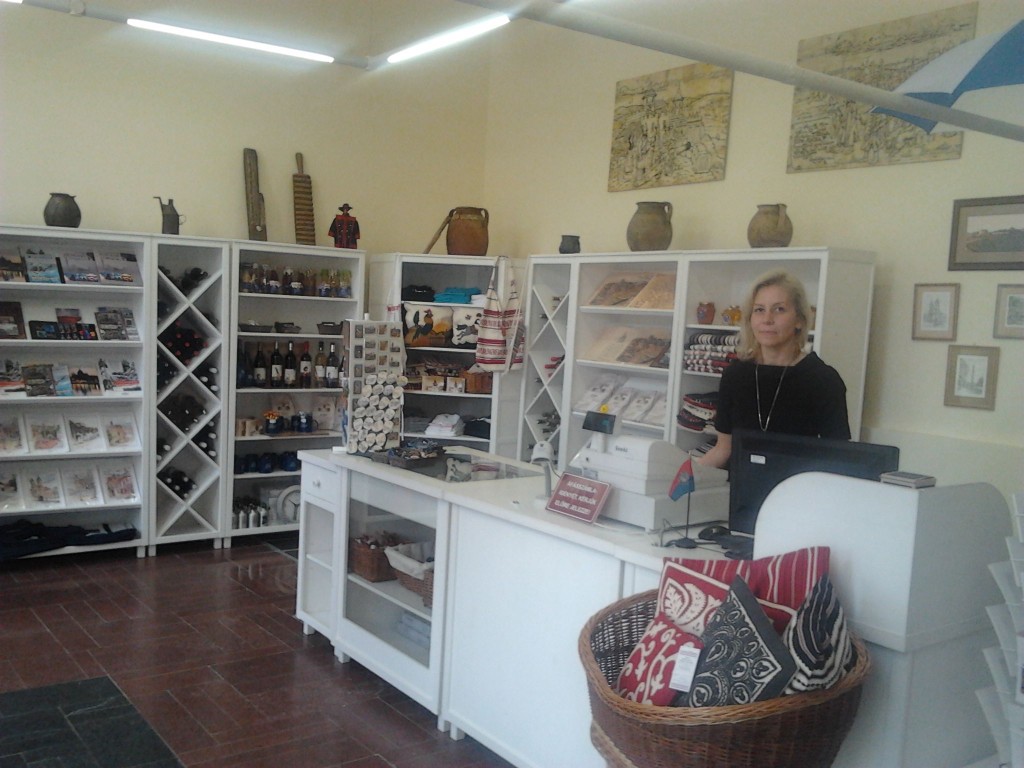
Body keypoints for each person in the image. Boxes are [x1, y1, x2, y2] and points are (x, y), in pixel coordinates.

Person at [698, 269, 850, 469]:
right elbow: (723, 450)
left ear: (799, 320)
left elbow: (838, 459)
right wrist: (683, 477)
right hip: (740, 486)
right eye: (759, 310)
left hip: (797, 487)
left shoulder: (823, 380)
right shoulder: (734, 375)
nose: (767, 319)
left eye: (779, 309)